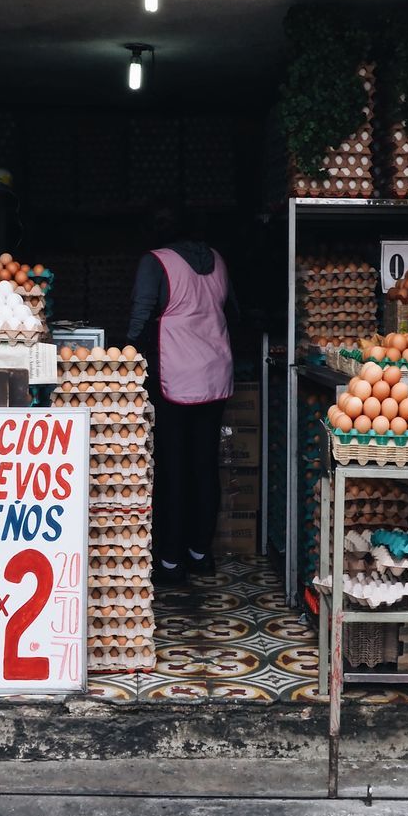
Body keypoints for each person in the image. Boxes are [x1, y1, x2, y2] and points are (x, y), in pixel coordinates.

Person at [127, 208, 235, 585]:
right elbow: (230, 311)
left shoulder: (155, 262)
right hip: (215, 373)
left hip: (174, 375)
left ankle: (170, 561)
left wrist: (126, 357)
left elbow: (140, 319)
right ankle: (200, 554)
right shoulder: (218, 261)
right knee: (205, 465)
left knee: (172, 468)